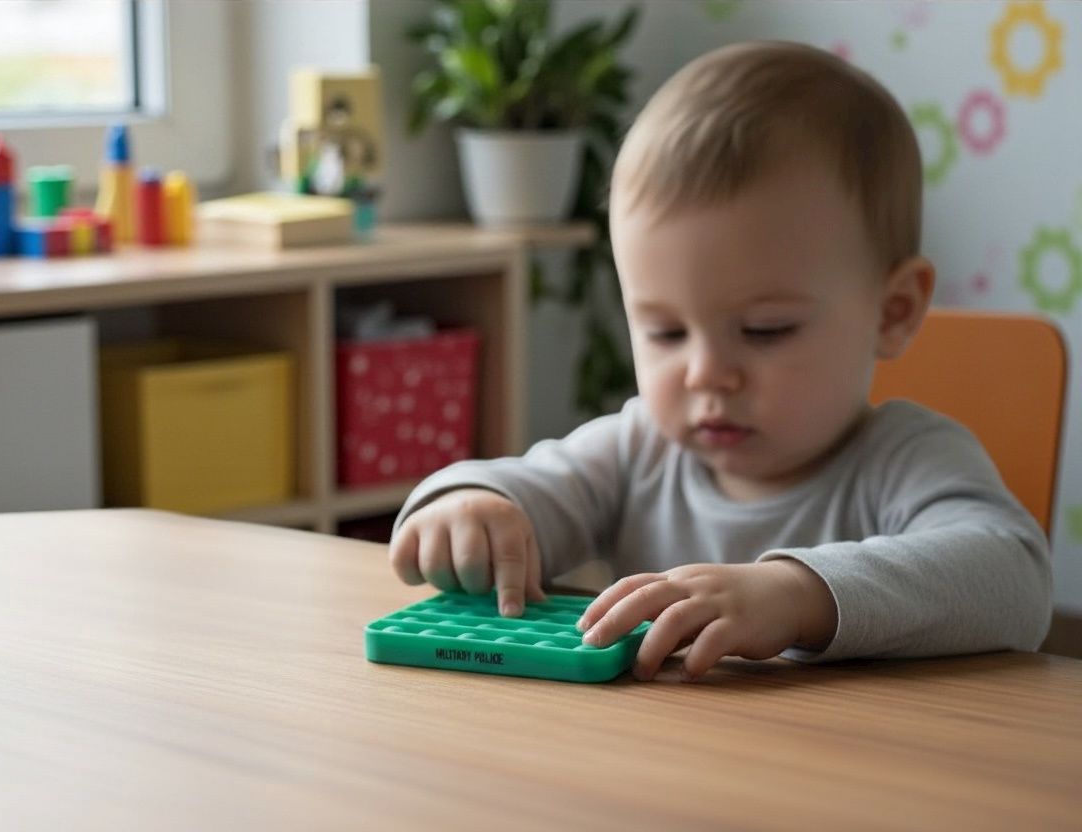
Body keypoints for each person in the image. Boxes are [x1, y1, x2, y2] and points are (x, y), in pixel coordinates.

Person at [386, 41, 1052, 682]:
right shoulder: (637, 451)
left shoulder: (904, 458)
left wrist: (796, 595)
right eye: (665, 331)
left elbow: (1016, 577)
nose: (705, 373)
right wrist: (471, 503)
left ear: (895, 311)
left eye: (765, 330)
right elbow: (525, 488)